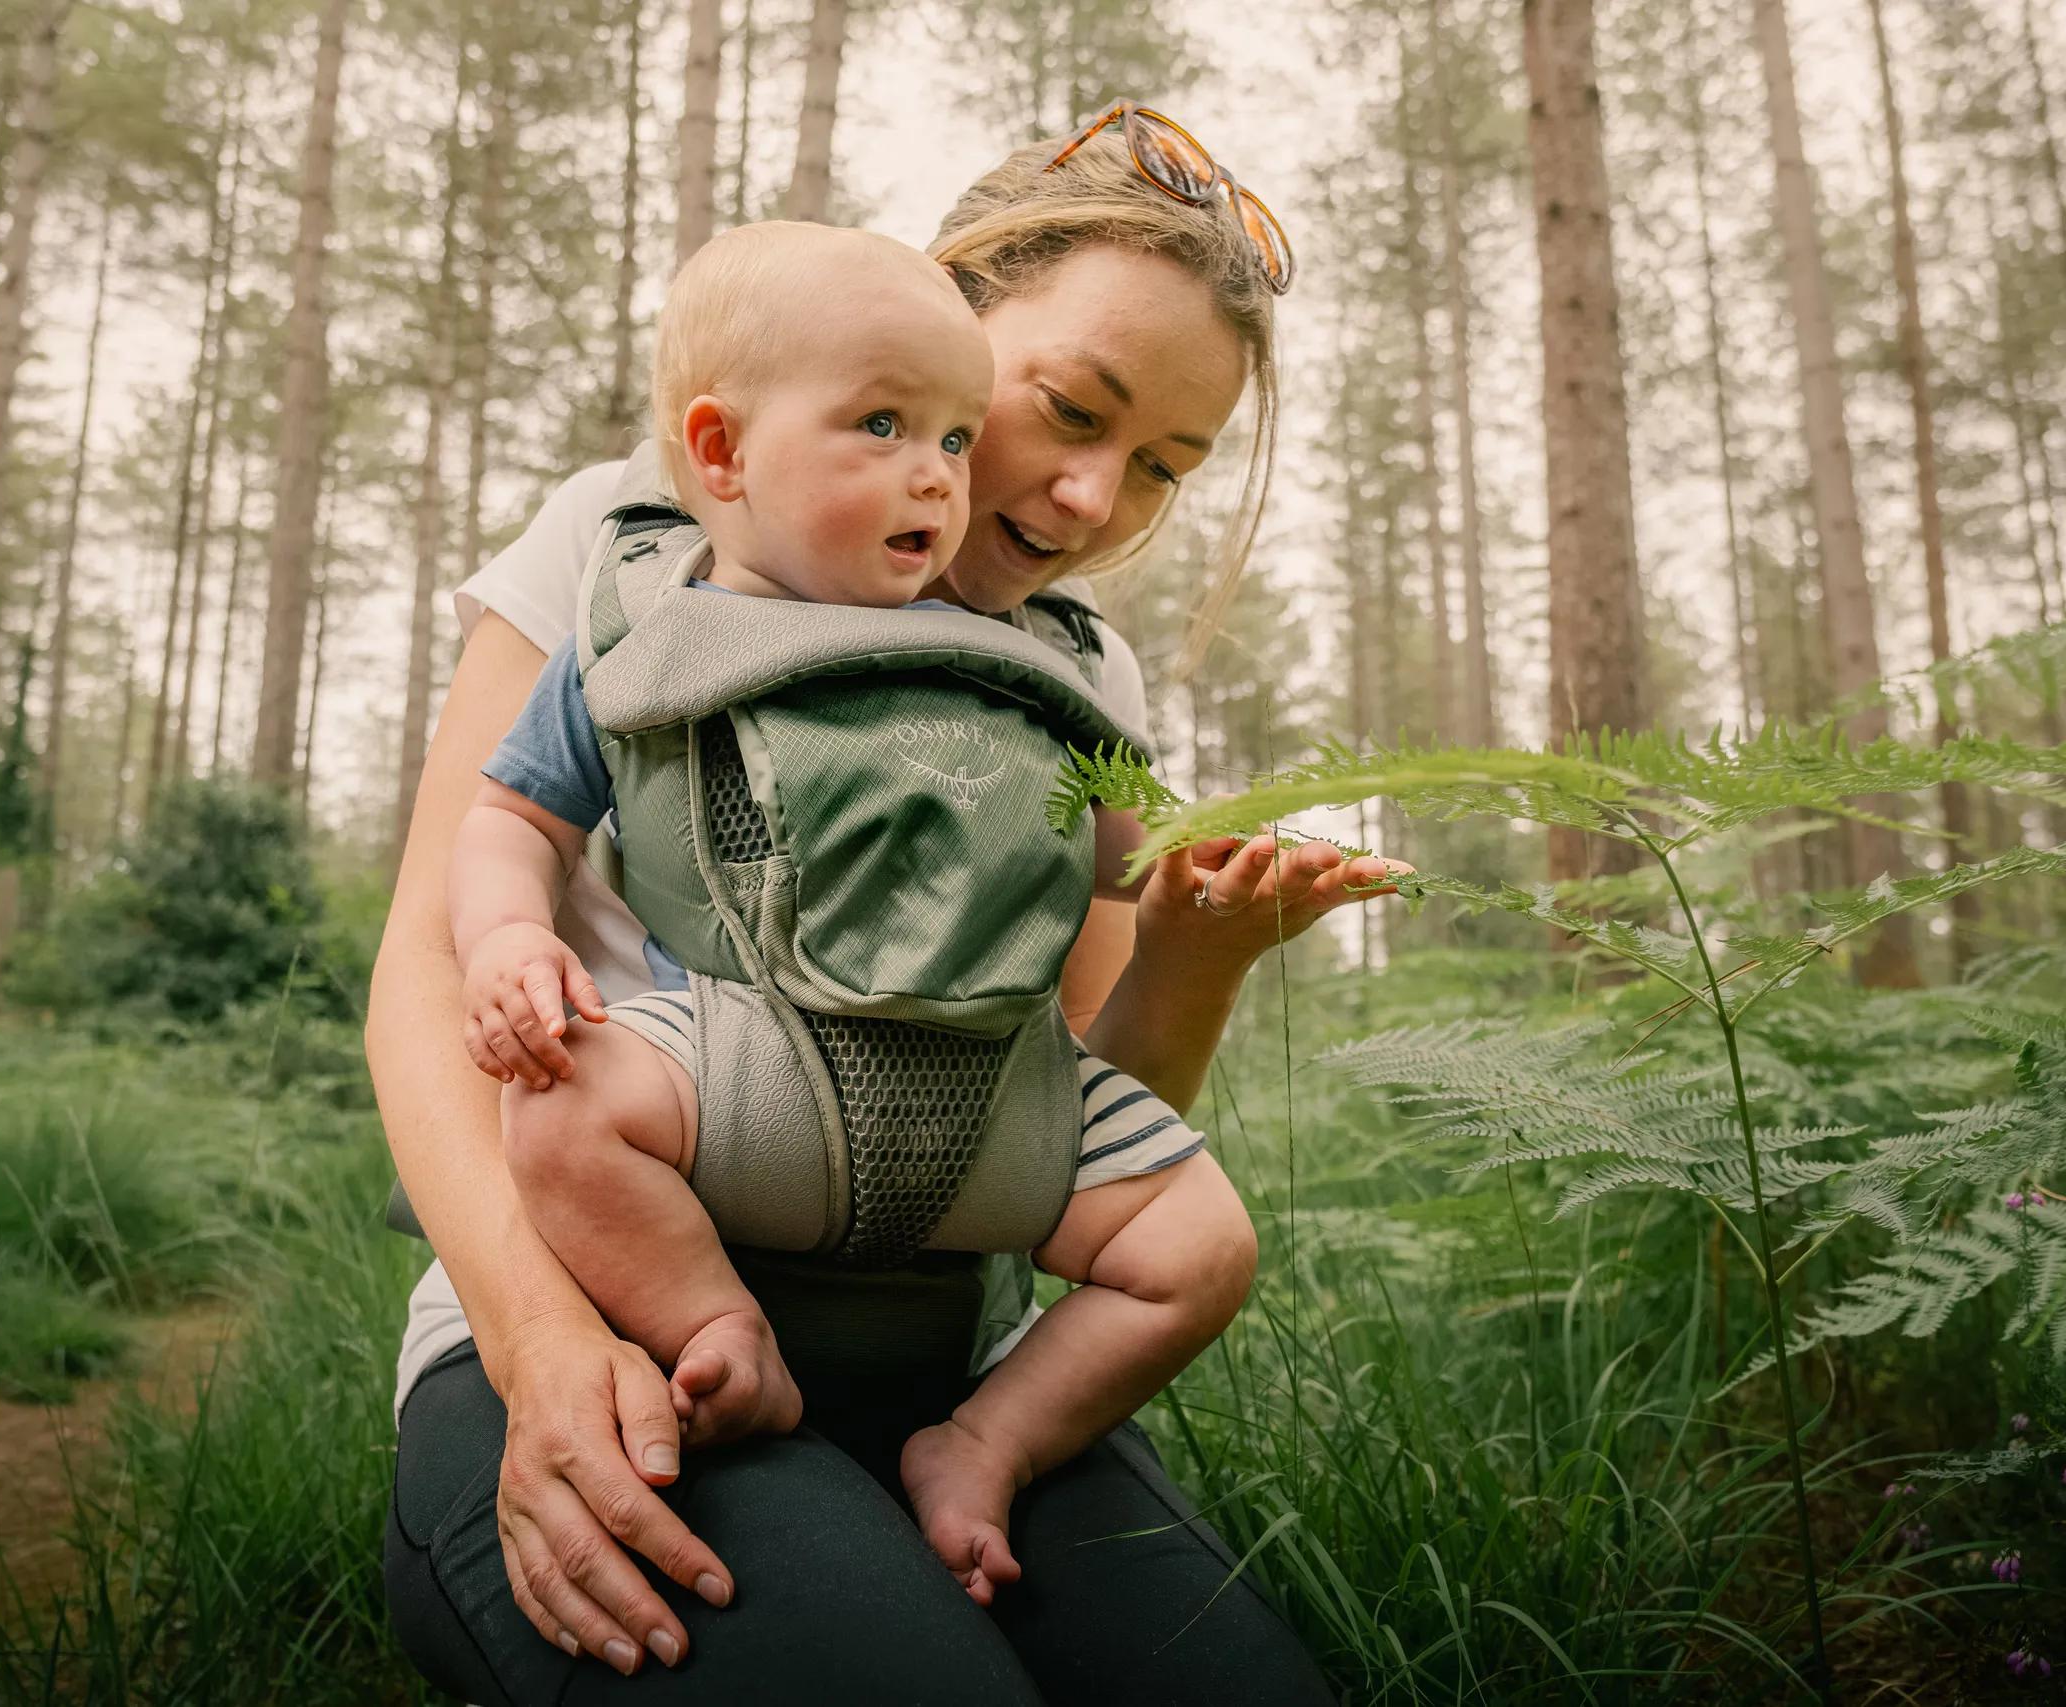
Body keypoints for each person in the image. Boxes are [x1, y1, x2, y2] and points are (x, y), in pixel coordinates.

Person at [375, 112, 1404, 1704]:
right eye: (1068, 409)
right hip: (604, 1341)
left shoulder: (1072, 670)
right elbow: (431, 973)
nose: (1083, 498)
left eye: (1161, 472)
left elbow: (1062, 1104)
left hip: (946, 1378)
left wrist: (1195, 958)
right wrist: (541, 1348)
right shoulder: (641, 547)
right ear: (943, 312)